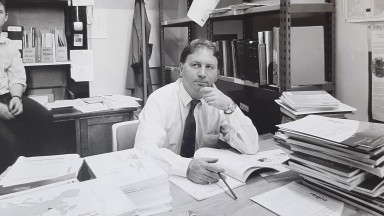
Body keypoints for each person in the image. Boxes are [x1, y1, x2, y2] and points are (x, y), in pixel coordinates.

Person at [134, 39, 259, 184]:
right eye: (195, 65)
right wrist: (186, 167)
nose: (202, 73)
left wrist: (230, 108)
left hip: (204, 183)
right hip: (166, 179)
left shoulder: (219, 102)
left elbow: (250, 147)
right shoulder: (159, 100)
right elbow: (144, 150)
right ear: (181, 69)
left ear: (217, 74)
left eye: (210, 67)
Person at [0, 0, 54, 173]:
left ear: (5, 17)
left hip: (7, 96)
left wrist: (16, 97)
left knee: (44, 118)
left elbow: (17, 75)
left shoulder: (9, 45)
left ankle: (32, 174)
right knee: (8, 143)